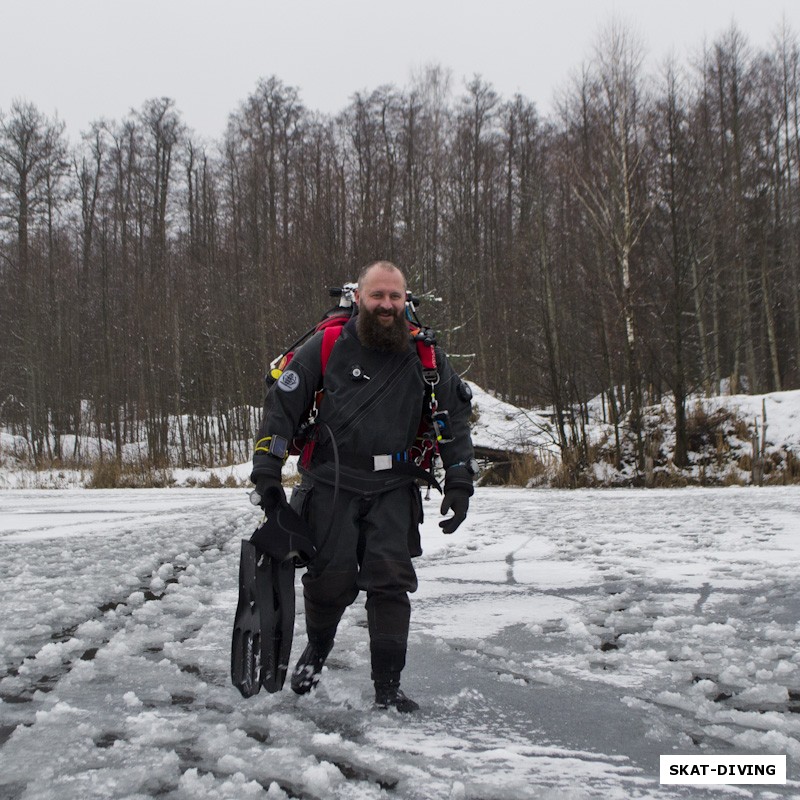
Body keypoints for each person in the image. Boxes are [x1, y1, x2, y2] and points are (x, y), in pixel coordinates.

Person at [249, 260, 477, 712]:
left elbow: (454, 421)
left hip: (395, 488)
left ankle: (388, 689)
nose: (386, 305)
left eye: (395, 296)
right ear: (359, 299)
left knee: (391, 586)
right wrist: (267, 474)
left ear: (405, 300)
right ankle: (316, 651)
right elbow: (281, 410)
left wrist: (460, 481)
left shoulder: (426, 356)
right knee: (328, 584)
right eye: (378, 296)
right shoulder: (328, 345)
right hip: (330, 486)